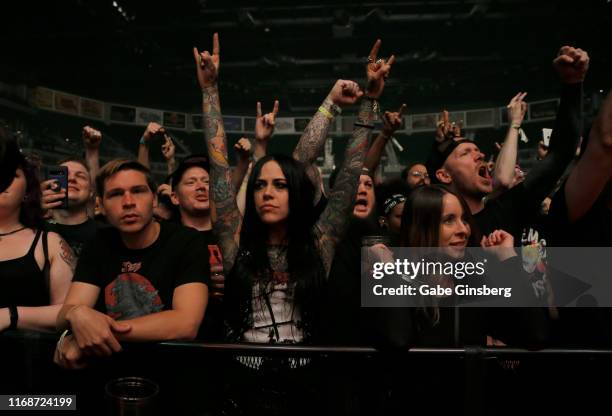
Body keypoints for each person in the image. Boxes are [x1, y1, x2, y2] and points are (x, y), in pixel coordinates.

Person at [54, 159, 210, 369]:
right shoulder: (98, 243)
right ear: (100, 205)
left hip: (172, 372)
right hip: (108, 373)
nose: (128, 202)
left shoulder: (186, 241)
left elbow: (186, 323)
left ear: (154, 199)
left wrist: (94, 332)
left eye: (138, 191)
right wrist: (75, 314)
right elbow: (68, 311)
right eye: (116, 194)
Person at [0, 129, 73, 333]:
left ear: (27, 190)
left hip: (25, 357)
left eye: (11, 175)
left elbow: (68, 312)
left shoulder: (49, 243)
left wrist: (10, 315)